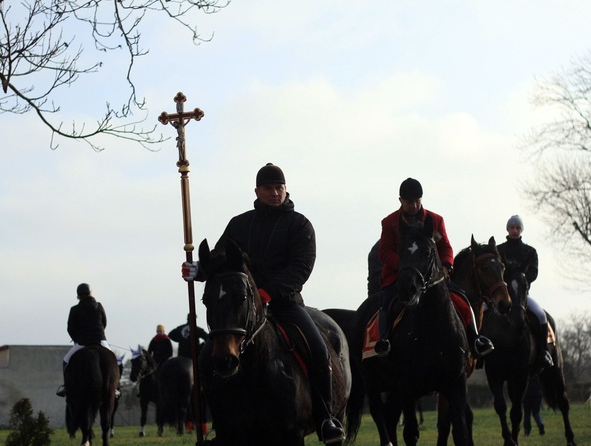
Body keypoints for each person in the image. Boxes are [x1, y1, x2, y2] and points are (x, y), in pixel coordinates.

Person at [182, 163, 345, 445]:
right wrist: (198, 270)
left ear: (286, 190)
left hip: (285, 305)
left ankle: (324, 417)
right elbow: (221, 261)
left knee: (319, 351)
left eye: (278, 187)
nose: (274, 193)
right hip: (242, 310)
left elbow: (301, 268)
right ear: (257, 191)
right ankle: (220, 424)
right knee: (209, 357)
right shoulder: (240, 224)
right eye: (268, 188)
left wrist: (268, 292)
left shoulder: (300, 225)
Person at [373, 178, 494, 358]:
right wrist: (406, 266)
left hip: (433, 277)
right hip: (401, 276)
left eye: (417, 201)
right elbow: (384, 252)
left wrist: (446, 266)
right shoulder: (389, 222)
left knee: (463, 300)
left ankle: (475, 339)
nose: (414, 206)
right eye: (409, 202)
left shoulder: (436, 220)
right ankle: (385, 340)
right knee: (387, 304)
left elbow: (446, 248)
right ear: (400, 201)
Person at [497, 215, 554, 371]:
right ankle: (480, 352)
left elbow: (533, 273)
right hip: (503, 294)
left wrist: (521, 282)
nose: (515, 230)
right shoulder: (499, 250)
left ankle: (543, 353)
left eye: (517, 228)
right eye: (512, 227)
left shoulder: (530, 252)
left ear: (521, 230)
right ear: (507, 229)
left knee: (541, 315)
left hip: (521, 295)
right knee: (485, 310)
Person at [56, 283, 114, 397]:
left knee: (66, 361)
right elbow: (104, 323)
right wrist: (99, 335)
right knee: (114, 361)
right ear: (90, 292)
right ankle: (115, 387)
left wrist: (76, 340)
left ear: (78, 295)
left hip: (83, 343)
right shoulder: (99, 306)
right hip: (100, 341)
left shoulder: (74, 309)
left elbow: (70, 328)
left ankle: (66, 387)